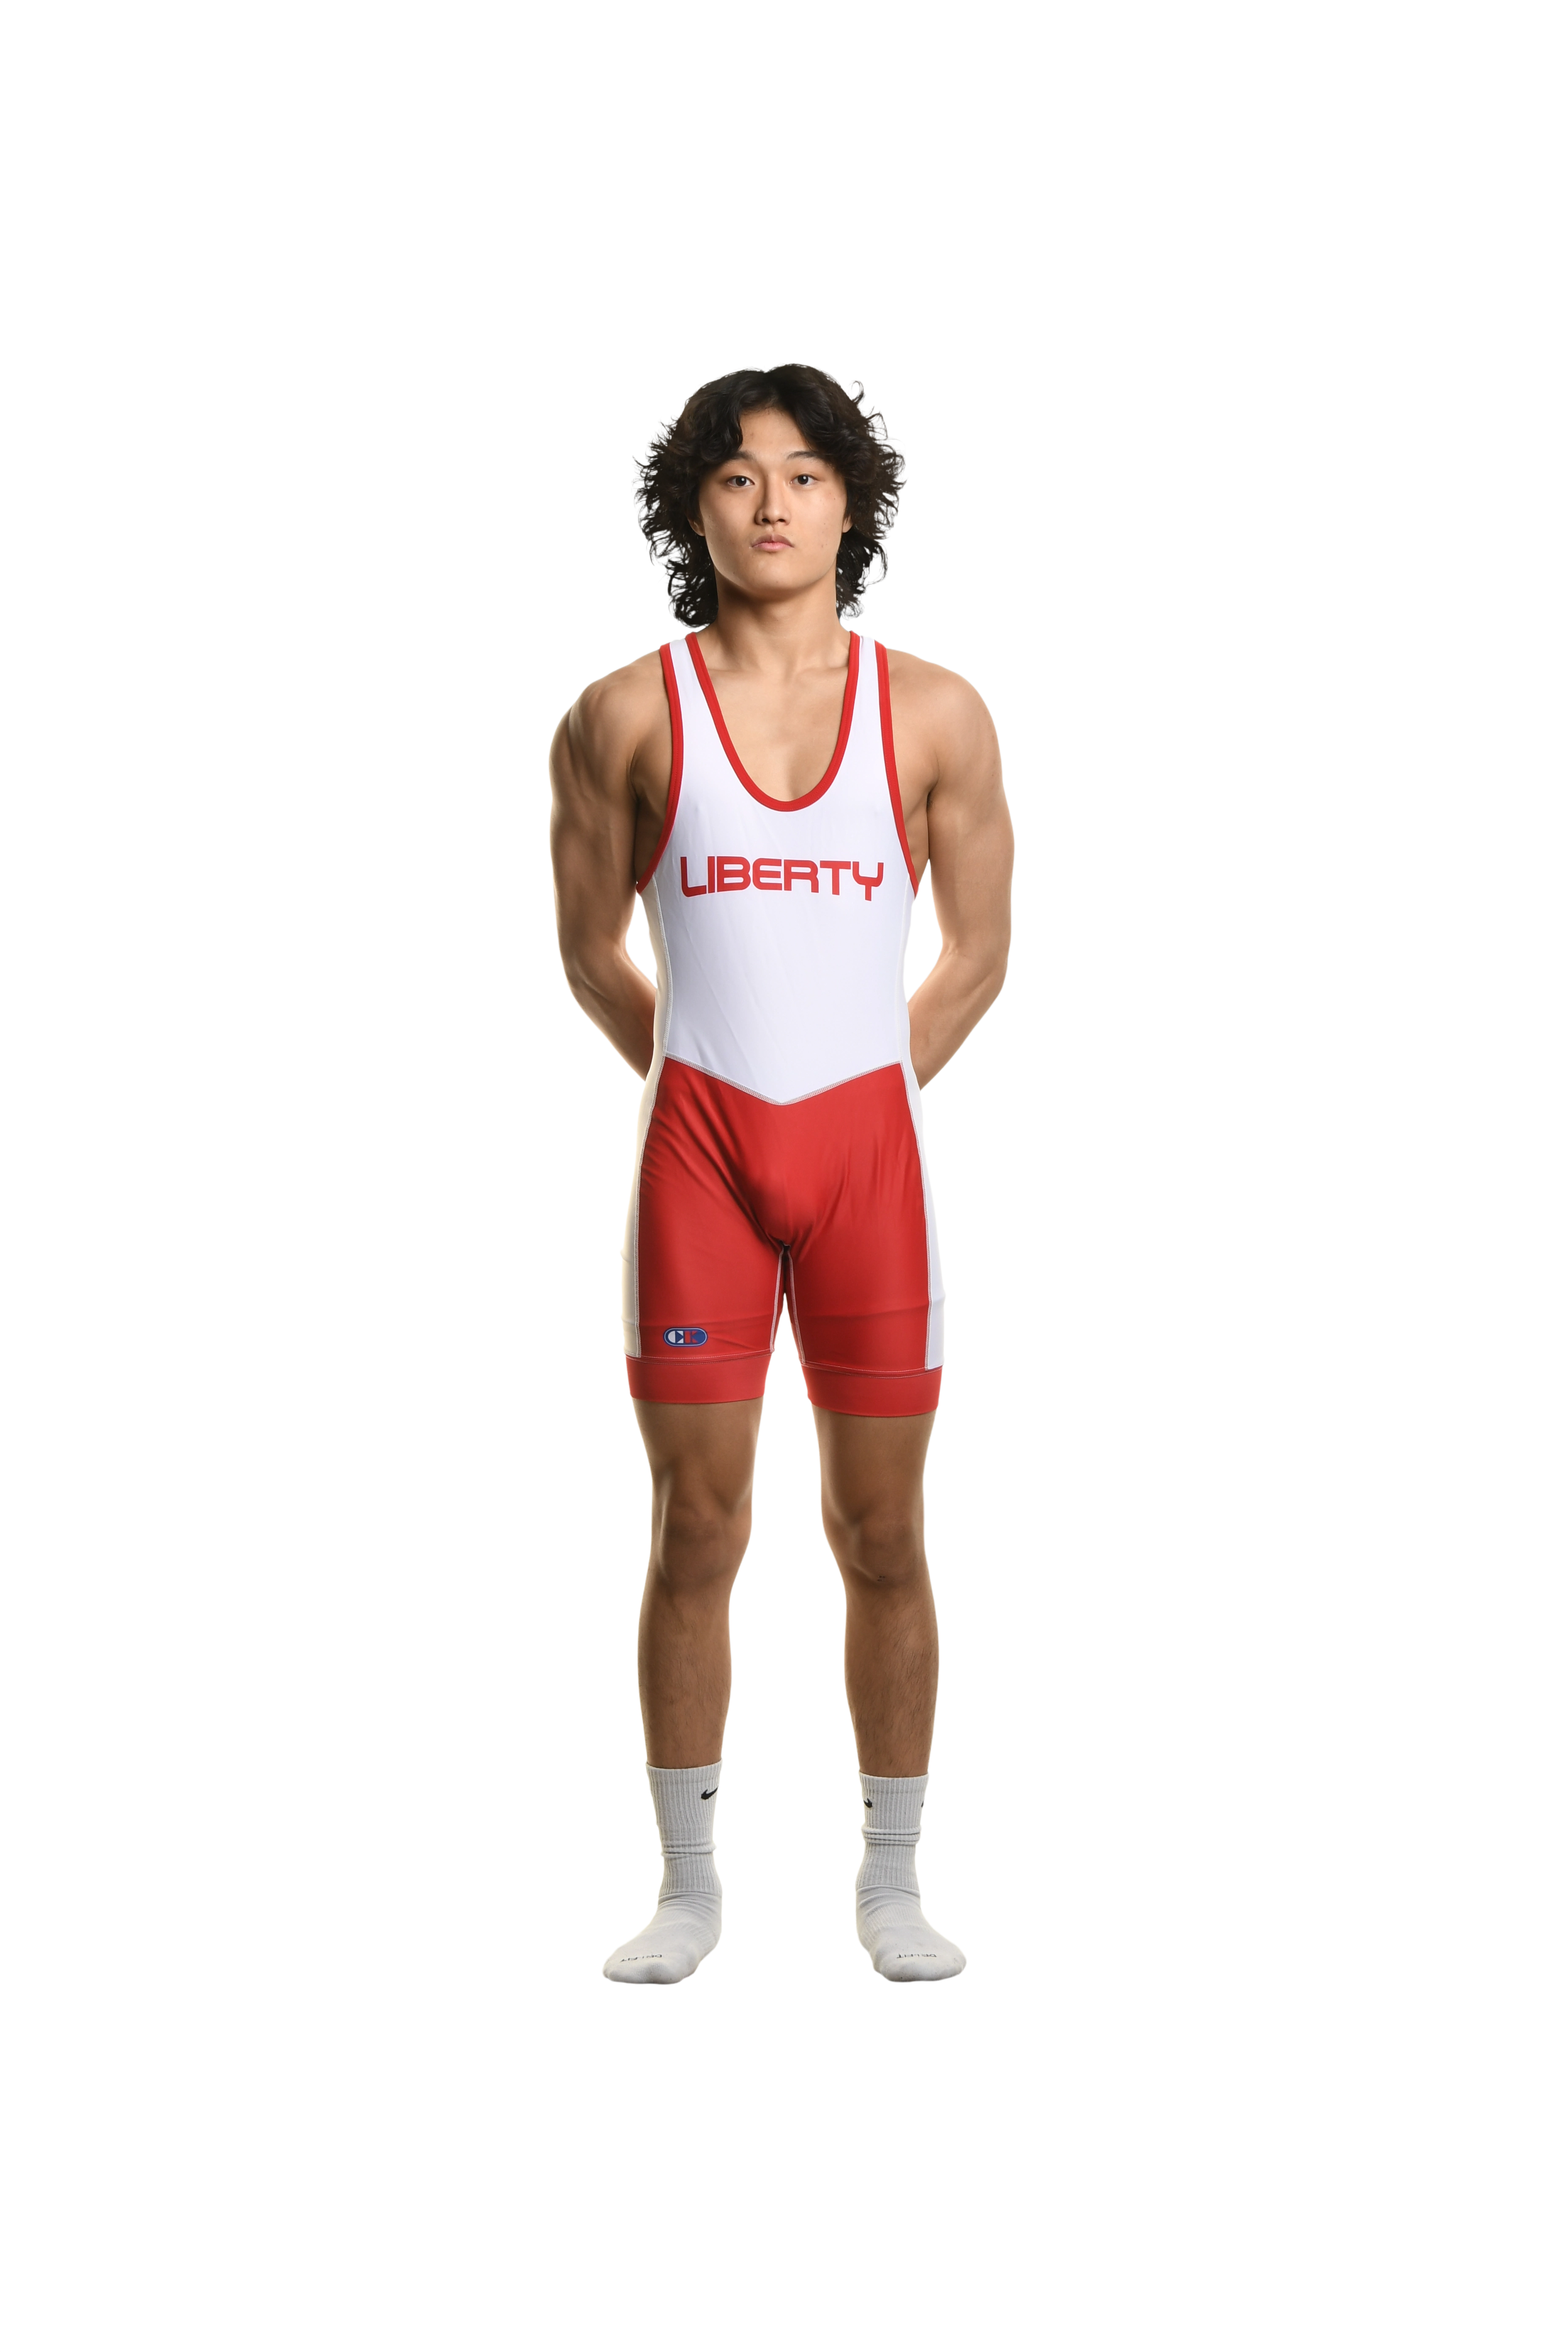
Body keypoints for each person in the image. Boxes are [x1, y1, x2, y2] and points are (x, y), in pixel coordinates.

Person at [548, 363, 1013, 1985]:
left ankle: (892, 1884)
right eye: (739, 476)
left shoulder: (935, 712)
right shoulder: (623, 714)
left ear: (850, 502)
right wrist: (707, 1092)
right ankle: (689, 1890)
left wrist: (856, 1101)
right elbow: (590, 951)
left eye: (805, 475)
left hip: (872, 1167)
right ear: (694, 506)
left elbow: (979, 954)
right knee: (699, 1524)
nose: (772, 503)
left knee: (884, 1530)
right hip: (700, 1168)